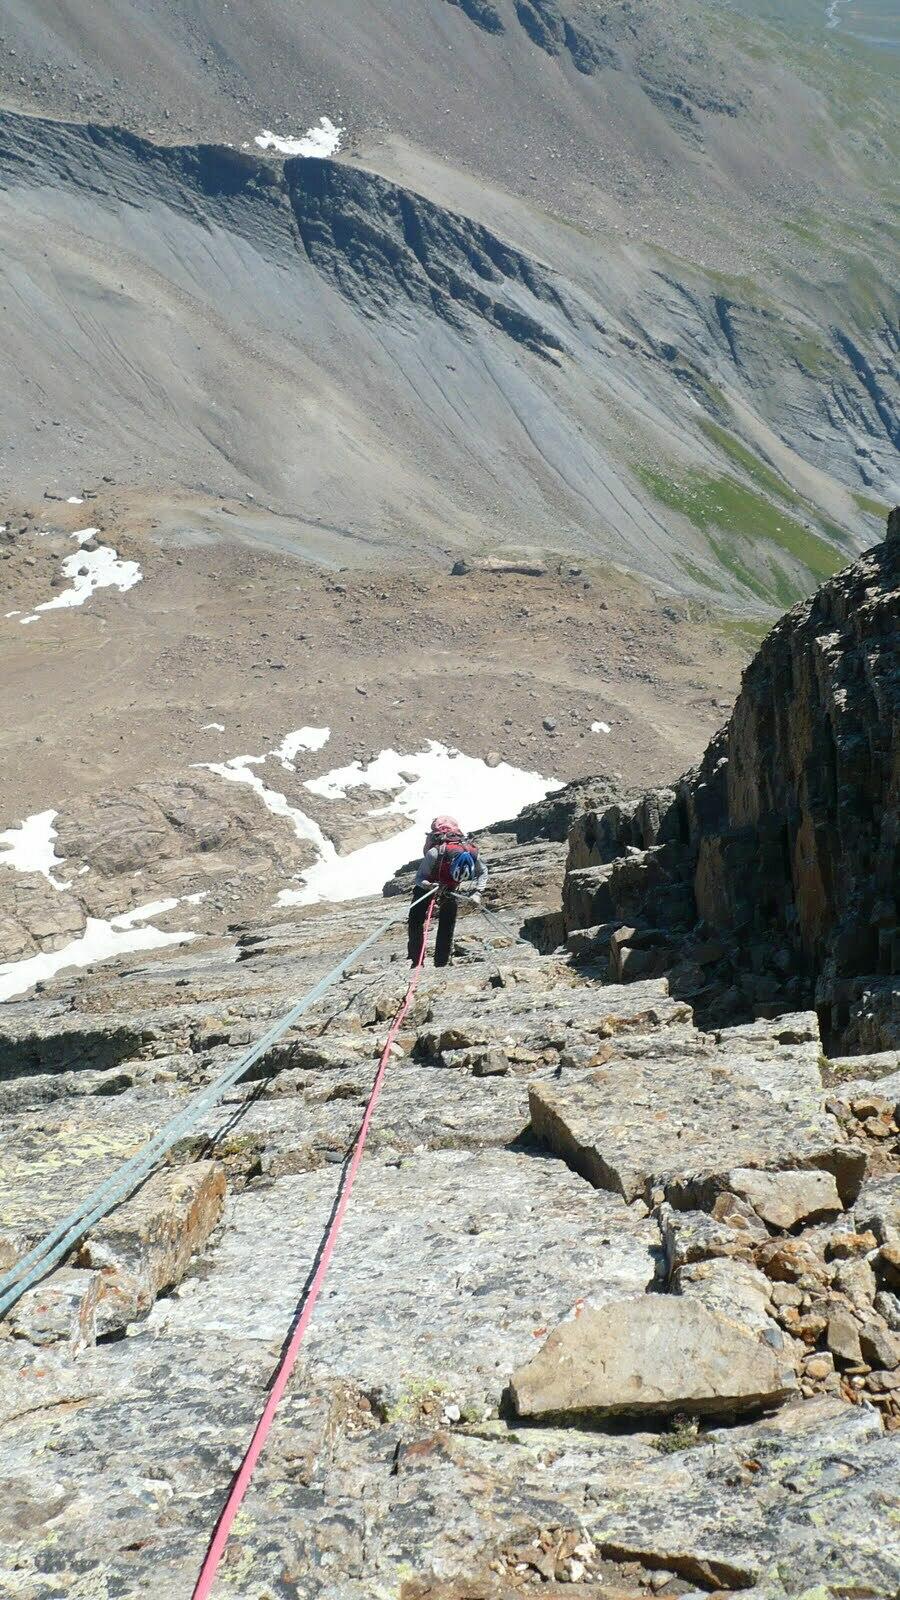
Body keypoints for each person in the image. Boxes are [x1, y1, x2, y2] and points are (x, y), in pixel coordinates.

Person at [408, 815, 488, 968]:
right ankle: (417, 961)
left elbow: (483, 872)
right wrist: (429, 885)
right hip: (429, 882)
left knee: (448, 921)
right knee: (416, 919)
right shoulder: (434, 853)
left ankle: (441, 962)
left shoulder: (473, 853)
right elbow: (419, 878)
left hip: (450, 886)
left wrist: (478, 892)